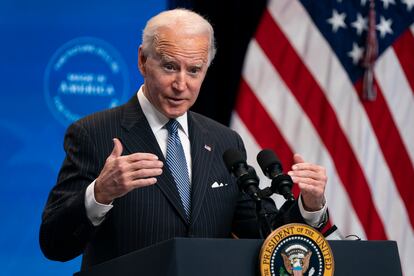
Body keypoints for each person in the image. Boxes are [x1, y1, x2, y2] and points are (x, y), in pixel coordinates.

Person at [39, 8, 328, 270]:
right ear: (142, 60)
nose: (181, 85)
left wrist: (310, 207)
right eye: (169, 67)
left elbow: (267, 235)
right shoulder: (94, 133)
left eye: (194, 70)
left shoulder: (225, 141)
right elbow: (54, 244)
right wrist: (100, 193)